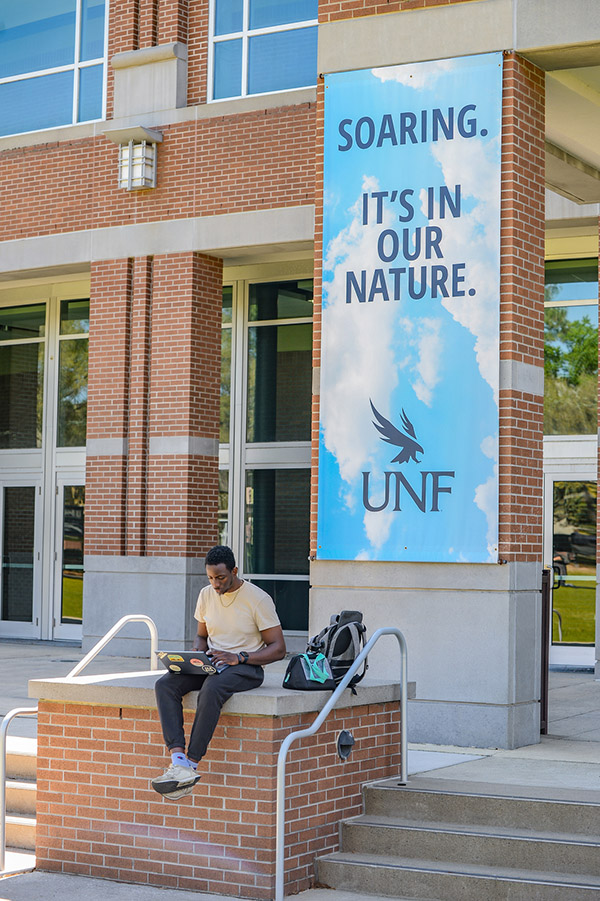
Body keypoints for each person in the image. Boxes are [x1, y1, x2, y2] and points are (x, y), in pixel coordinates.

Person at [151, 545, 286, 800]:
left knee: (212, 688)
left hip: (247, 667)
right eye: (211, 577)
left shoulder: (258, 599)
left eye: (221, 578)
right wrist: (195, 655)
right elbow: (202, 636)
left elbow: (279, 649)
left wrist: (240, 657)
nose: (215, 584)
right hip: (213, 662)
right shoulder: (205, 595)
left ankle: (191, 764)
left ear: (234, 571)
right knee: (165, 684)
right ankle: (177, 760)